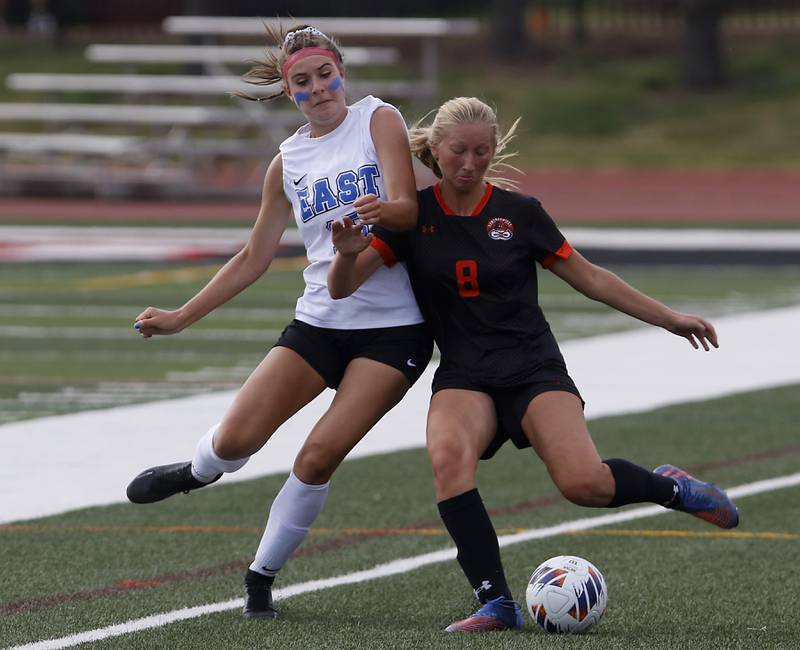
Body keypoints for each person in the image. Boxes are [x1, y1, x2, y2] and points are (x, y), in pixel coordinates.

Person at [328, 97, 739, 633]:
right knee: (448, 460)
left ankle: (672, 489)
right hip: (465, 373)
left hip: (532, 367)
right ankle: (496, 602)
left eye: (482, 151)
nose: (470, 163)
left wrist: (669, 318)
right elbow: (341, 289)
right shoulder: (412, 218)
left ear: (494, 151)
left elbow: (590, 277)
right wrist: (346, 251)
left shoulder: (520, 214)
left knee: (583, 485)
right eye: (458, 151)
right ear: (435, 150)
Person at [126, 25, 432, 620]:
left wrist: (364, 219)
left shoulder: (378, 119)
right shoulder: (288, 160)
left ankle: (259, 579)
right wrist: (182, 317)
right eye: (302, 82)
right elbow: (253, 257)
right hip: (318, 321)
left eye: (325, 75)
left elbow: (407, 206)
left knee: (317, 457)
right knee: (236, 440)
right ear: (287, 91)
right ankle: (197, 470)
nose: (318, 89)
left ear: (342, 71)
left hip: (394, 329)